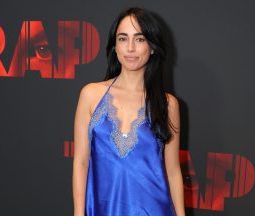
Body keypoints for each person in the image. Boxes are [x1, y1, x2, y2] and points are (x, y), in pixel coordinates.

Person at [73, 7, 185, 216]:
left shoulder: (168, 104)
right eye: (123, 39)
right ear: (114, 46)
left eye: (140, 39)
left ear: (152, 47)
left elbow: (173, 172)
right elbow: (81, 162)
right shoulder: (91, 95)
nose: (131, 48)